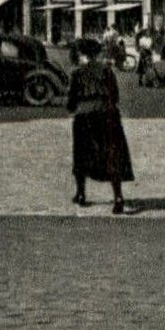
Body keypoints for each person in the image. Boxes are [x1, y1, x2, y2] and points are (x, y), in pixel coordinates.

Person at [66, 39, 134, 214]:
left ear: (82, 53)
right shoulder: (107, 71)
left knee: (81, 154)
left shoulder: (77, 73)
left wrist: (75, 107)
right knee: (112, 154)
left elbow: (71, 102)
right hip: (107, 115)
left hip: (84, 116)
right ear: (97, 53)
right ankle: (118, 196)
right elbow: (115, 96)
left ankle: (81, 194)